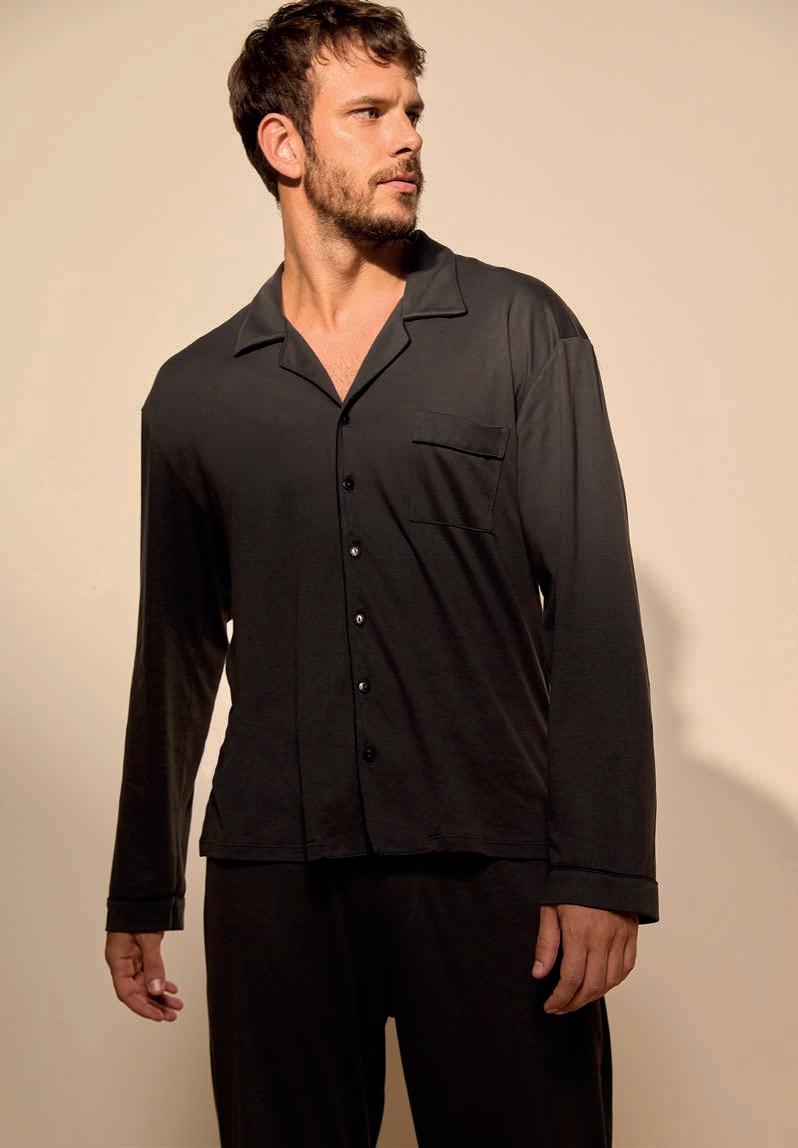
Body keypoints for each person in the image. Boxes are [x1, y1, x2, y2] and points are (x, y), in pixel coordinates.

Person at [104, 2, 659, 1145]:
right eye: (369, 112)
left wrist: (602, 869)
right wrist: (142, 886)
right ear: (284, 144)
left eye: (412, 110)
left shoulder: (521, 332)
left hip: (492, 867)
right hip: (276, 878)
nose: (407, 135)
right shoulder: (195, 394)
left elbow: (594, 605)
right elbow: (177, 646)